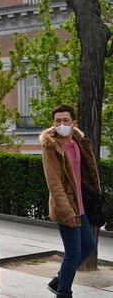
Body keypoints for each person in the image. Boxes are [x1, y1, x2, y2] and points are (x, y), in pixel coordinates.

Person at [40, 104, 99, 298]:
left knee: (88, 246)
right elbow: (54, 184)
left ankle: (59, 281)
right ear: (53, 123)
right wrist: (67, 211)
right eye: (58, 121)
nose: (62, 124)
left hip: (81, 206)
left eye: (65, 120)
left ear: (73, 123)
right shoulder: (51, 147)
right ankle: (64, 292)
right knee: (73, 252)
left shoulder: (79, 143)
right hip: (66, 207)